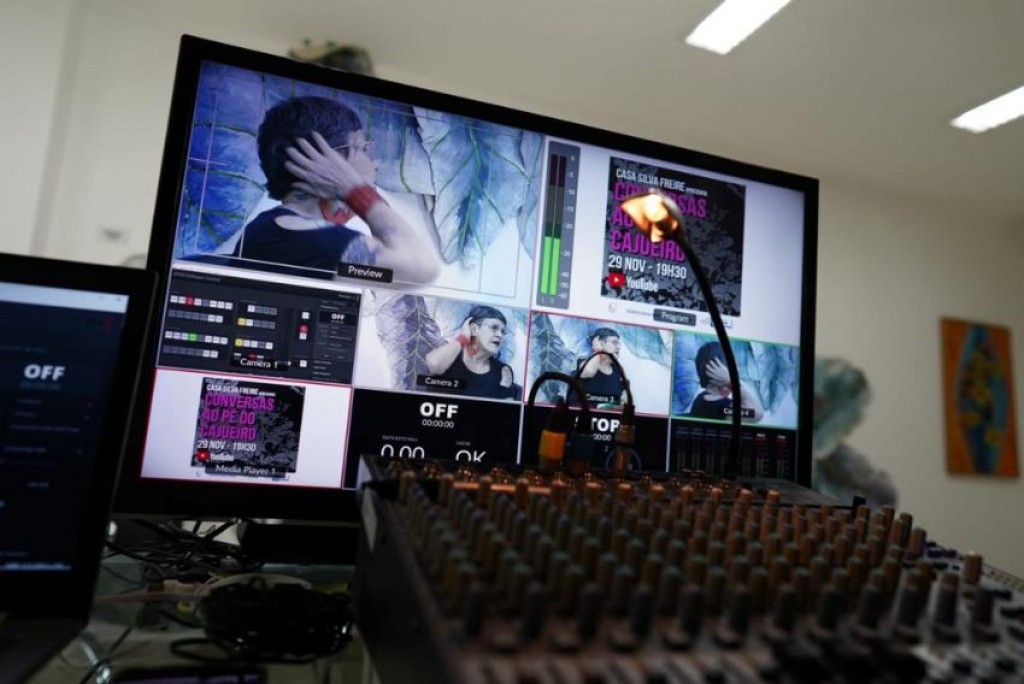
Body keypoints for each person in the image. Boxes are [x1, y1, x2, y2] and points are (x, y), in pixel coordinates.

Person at [233, 96, 440, 284]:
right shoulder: (312, 241)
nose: (375, 164)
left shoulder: (272, 230)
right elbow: (421, 270)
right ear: (330, 159)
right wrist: (355, 190)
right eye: (364, 149)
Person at [424, 305, 520, 400]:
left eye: (503, 331)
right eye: (494, 328)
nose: (500, 335)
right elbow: (434, 364)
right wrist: (463, 338)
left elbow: (507, 404)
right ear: (474, 329)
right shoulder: (450, 357)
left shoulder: (503, 371)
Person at [687, 341, 764, 422]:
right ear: (718, 369)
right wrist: (731, 380)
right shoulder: (719, 408)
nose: (738, 370)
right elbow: (757, 413)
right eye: (733, 366)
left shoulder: (700, 400)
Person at [576, 327, 627, 408]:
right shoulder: (584, 361)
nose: (618, 347)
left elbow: (624, 398)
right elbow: (589, 372)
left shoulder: (619, 369)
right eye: (614, 342)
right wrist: (598, 350)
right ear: (601, 343)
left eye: (619, 343)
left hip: (607, 415)